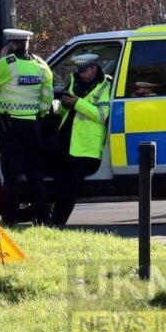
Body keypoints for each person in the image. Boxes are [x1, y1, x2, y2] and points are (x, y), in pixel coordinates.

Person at [0, 28, 54, 224]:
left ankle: (11, 217)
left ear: (11, 44)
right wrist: (38, 113)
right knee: (35, 173)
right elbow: (47, 98)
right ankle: (44, 217)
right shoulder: (41, 66)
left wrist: (1, 59)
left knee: (11, 174)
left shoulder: (7, 64)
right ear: (27, 44)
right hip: (33, 126)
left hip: (11, 127)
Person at [47, 54, 112, 226]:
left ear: (94, 68)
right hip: (67, 143)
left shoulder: (105, 86)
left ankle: (56, 223)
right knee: (57, 182)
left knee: (69, 187)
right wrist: (64, 105)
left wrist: (77, 103)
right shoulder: (74, 82)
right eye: (79, 70)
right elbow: (64, 113)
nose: (81, 74)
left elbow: (101, 115)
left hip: (86, 148)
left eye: (84, 70)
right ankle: (48, 219)